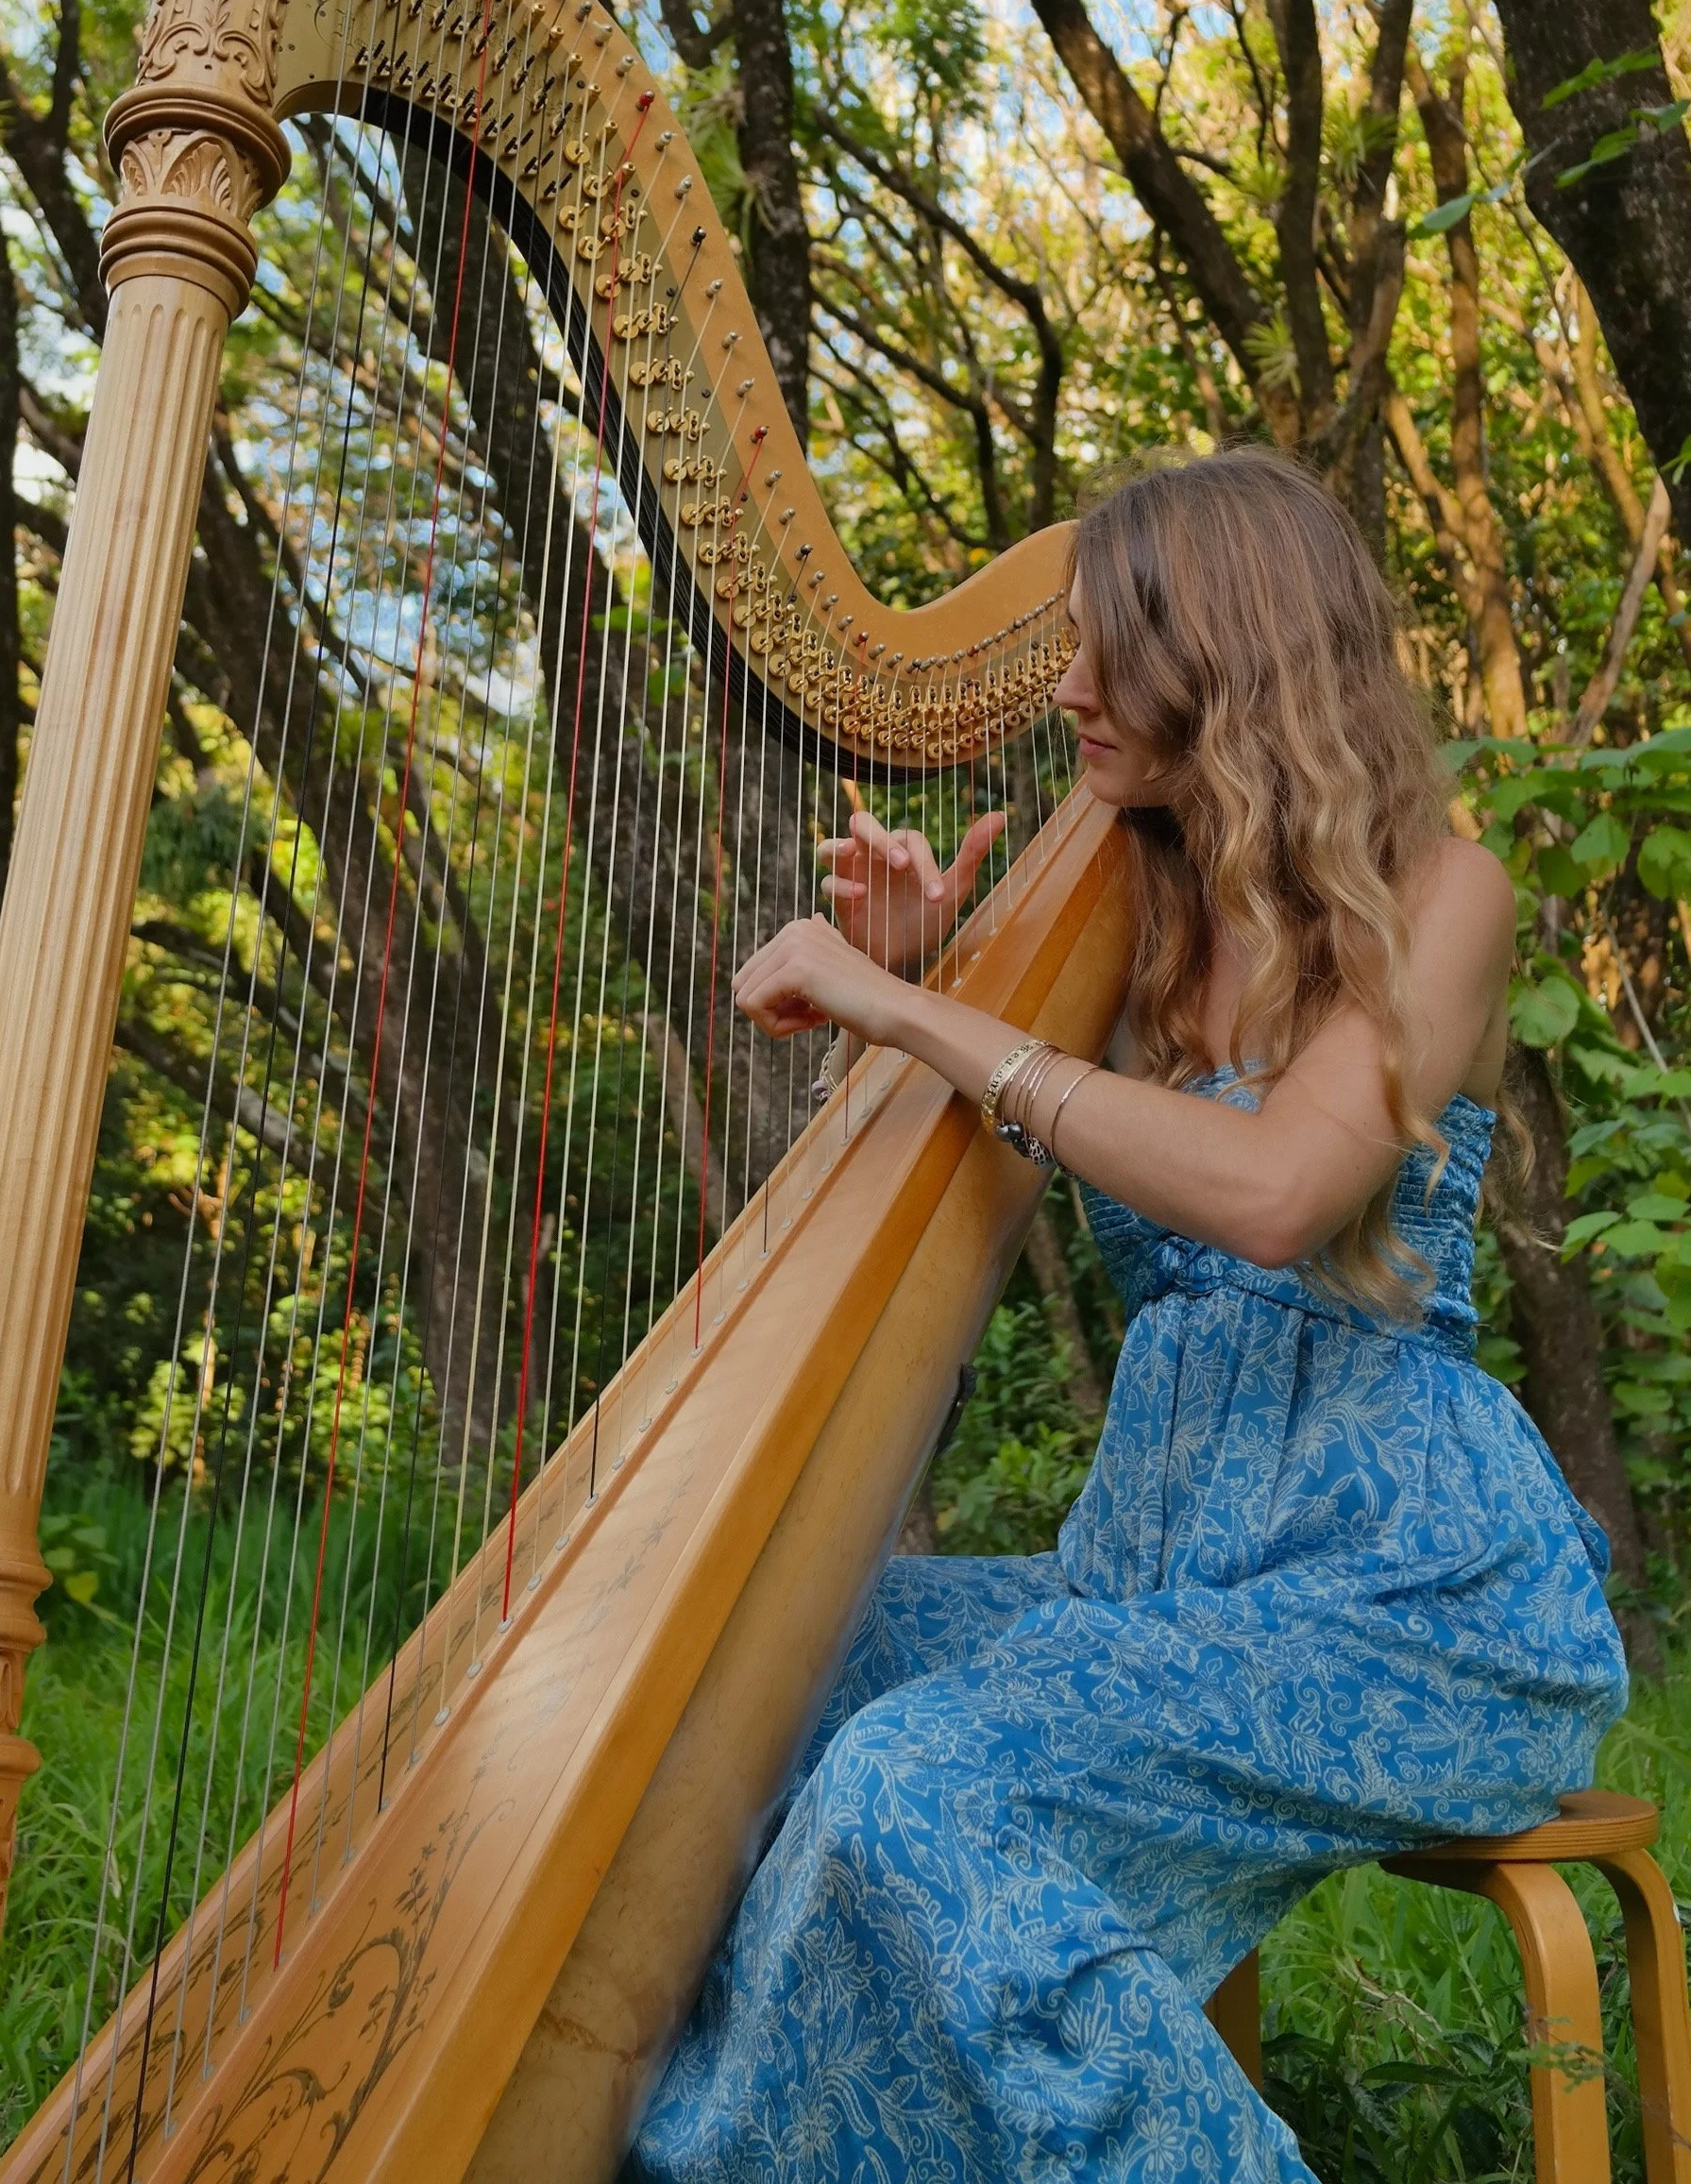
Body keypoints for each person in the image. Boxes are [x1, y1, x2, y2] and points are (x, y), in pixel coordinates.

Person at [624, 449, 1627, 2184]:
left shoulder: (1435, 895)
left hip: (1395, 1588)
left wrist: (921, 1017)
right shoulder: (1132, 911)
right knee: (767, 1677)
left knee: (914, 1786)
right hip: (1154, 1573)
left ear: (1224, 658)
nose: (1071, 691)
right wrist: (930, 975)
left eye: (1108, 654)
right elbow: (939, 1226)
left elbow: (1272, 1193)